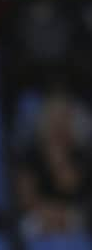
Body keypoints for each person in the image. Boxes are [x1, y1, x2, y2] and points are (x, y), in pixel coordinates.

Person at [14, 93, 92, 236]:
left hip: (70, 213)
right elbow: (26, 197)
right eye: (55, 119)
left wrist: (58, 159)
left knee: (80, 226)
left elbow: (70, 185)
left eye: (64, 119)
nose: (59, 125)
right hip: (38, 213)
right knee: (27, 228)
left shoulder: (80, 153)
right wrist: (45, 212)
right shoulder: (30, 154)